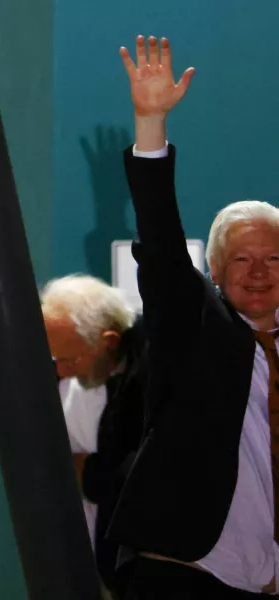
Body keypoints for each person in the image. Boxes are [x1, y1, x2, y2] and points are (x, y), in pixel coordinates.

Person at [110, 34, 279, 599]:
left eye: (274, 258)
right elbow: (158, 240)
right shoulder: (198, 325)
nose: (258, 272)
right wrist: (149, 123)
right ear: (212, 270)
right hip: (185, 573)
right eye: (241, 259)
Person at [41, 275, 147, 596]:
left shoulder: (148, 376)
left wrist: (86, 472)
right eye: (55, 359)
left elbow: (141, 478)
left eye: (70, 359)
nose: (62, 371)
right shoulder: (88, 375)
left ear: (109, 341)